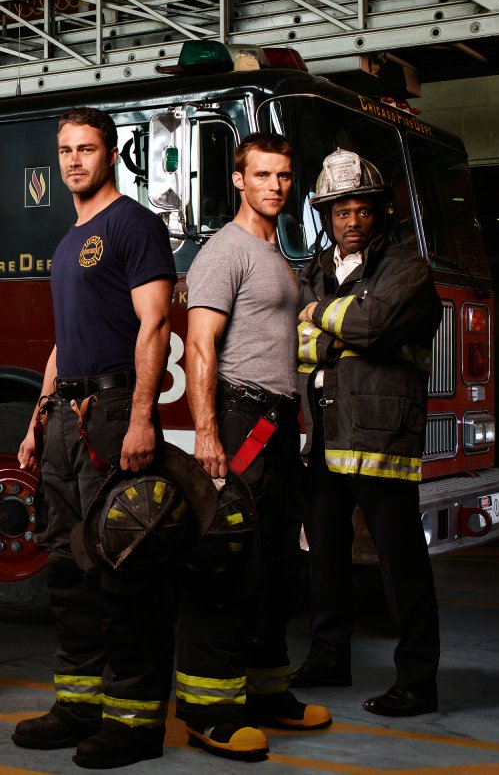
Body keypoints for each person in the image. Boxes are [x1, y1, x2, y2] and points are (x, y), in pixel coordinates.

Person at [13, 107, 177, 769]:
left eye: (86, 149)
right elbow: (61, 344)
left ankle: (134, 722)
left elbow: (156, 323)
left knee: (121, 563)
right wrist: (36, 421)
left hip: (111, 412)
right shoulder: (65, 241)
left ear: (111, 154)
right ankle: (78, 705)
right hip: (65, 418)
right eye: (64, 150)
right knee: (67, 567)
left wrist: (140, 415)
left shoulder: (133, 225)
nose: (74, 160)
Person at [183, 133, 331, 761]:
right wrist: (209, 435)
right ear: (238, 180)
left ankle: (268, 691)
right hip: (241, 422)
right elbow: (199, 347)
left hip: (280, 424)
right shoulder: (226, 250)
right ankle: (209, 707)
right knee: (228, 561)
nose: (275, 185)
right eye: (262, 174)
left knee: (275, 565)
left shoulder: (278, 254)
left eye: (284, 175)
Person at [290, 148, 442, 717]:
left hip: (380, 436)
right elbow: (301, 340)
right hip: (325, 435)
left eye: (362, 211)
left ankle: (417, 682)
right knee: (323, 557)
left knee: (401, 565)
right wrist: (338, 324)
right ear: (326, 217)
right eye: (340, 212)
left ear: (380, 214)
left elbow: (374, 326)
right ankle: (330, 659)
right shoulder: (315, 271)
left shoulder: (408, 270)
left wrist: (320, 320)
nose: (351, 222)